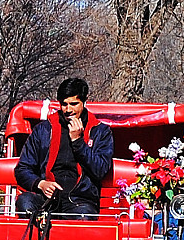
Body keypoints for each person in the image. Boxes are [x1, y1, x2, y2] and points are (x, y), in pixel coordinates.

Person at [14, 78, 114, 217]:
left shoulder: (100, 131)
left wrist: (78, 142)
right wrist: (40, 183)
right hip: (46, 198)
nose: (68, 110)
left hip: (80, 201)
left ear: (85, 102)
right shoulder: (44, 129)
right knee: (25, 203)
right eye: (64, 104)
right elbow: (22, 169)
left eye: (74, 104)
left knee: (83, 217)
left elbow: (100, 170)